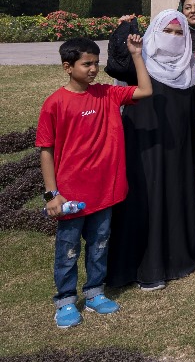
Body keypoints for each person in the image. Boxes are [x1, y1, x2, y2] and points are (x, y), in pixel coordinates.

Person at [39, 36, 151, 328]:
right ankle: (65, 301)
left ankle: (94, 294)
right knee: (68, 249)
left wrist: (137, 55)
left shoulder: (107, 94)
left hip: (105, 193)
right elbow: (46, 151)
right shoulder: (55, 104)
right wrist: (52, 194)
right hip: (71, 196)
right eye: (86, 64)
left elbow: (145, 90)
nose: (93, 69)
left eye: (95, 63)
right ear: (67, 67)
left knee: (99, 244)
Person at [106, 12, 195, 292]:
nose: (172, 38)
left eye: (178, 33)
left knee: (173, 196)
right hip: (142, 146)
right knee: (143, 200)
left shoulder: (191, 69)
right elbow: (115, 65)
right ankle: (141, 266)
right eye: (167, 31)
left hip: (178, 148)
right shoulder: (140, 61)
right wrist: (125, 29)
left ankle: (175, 262)